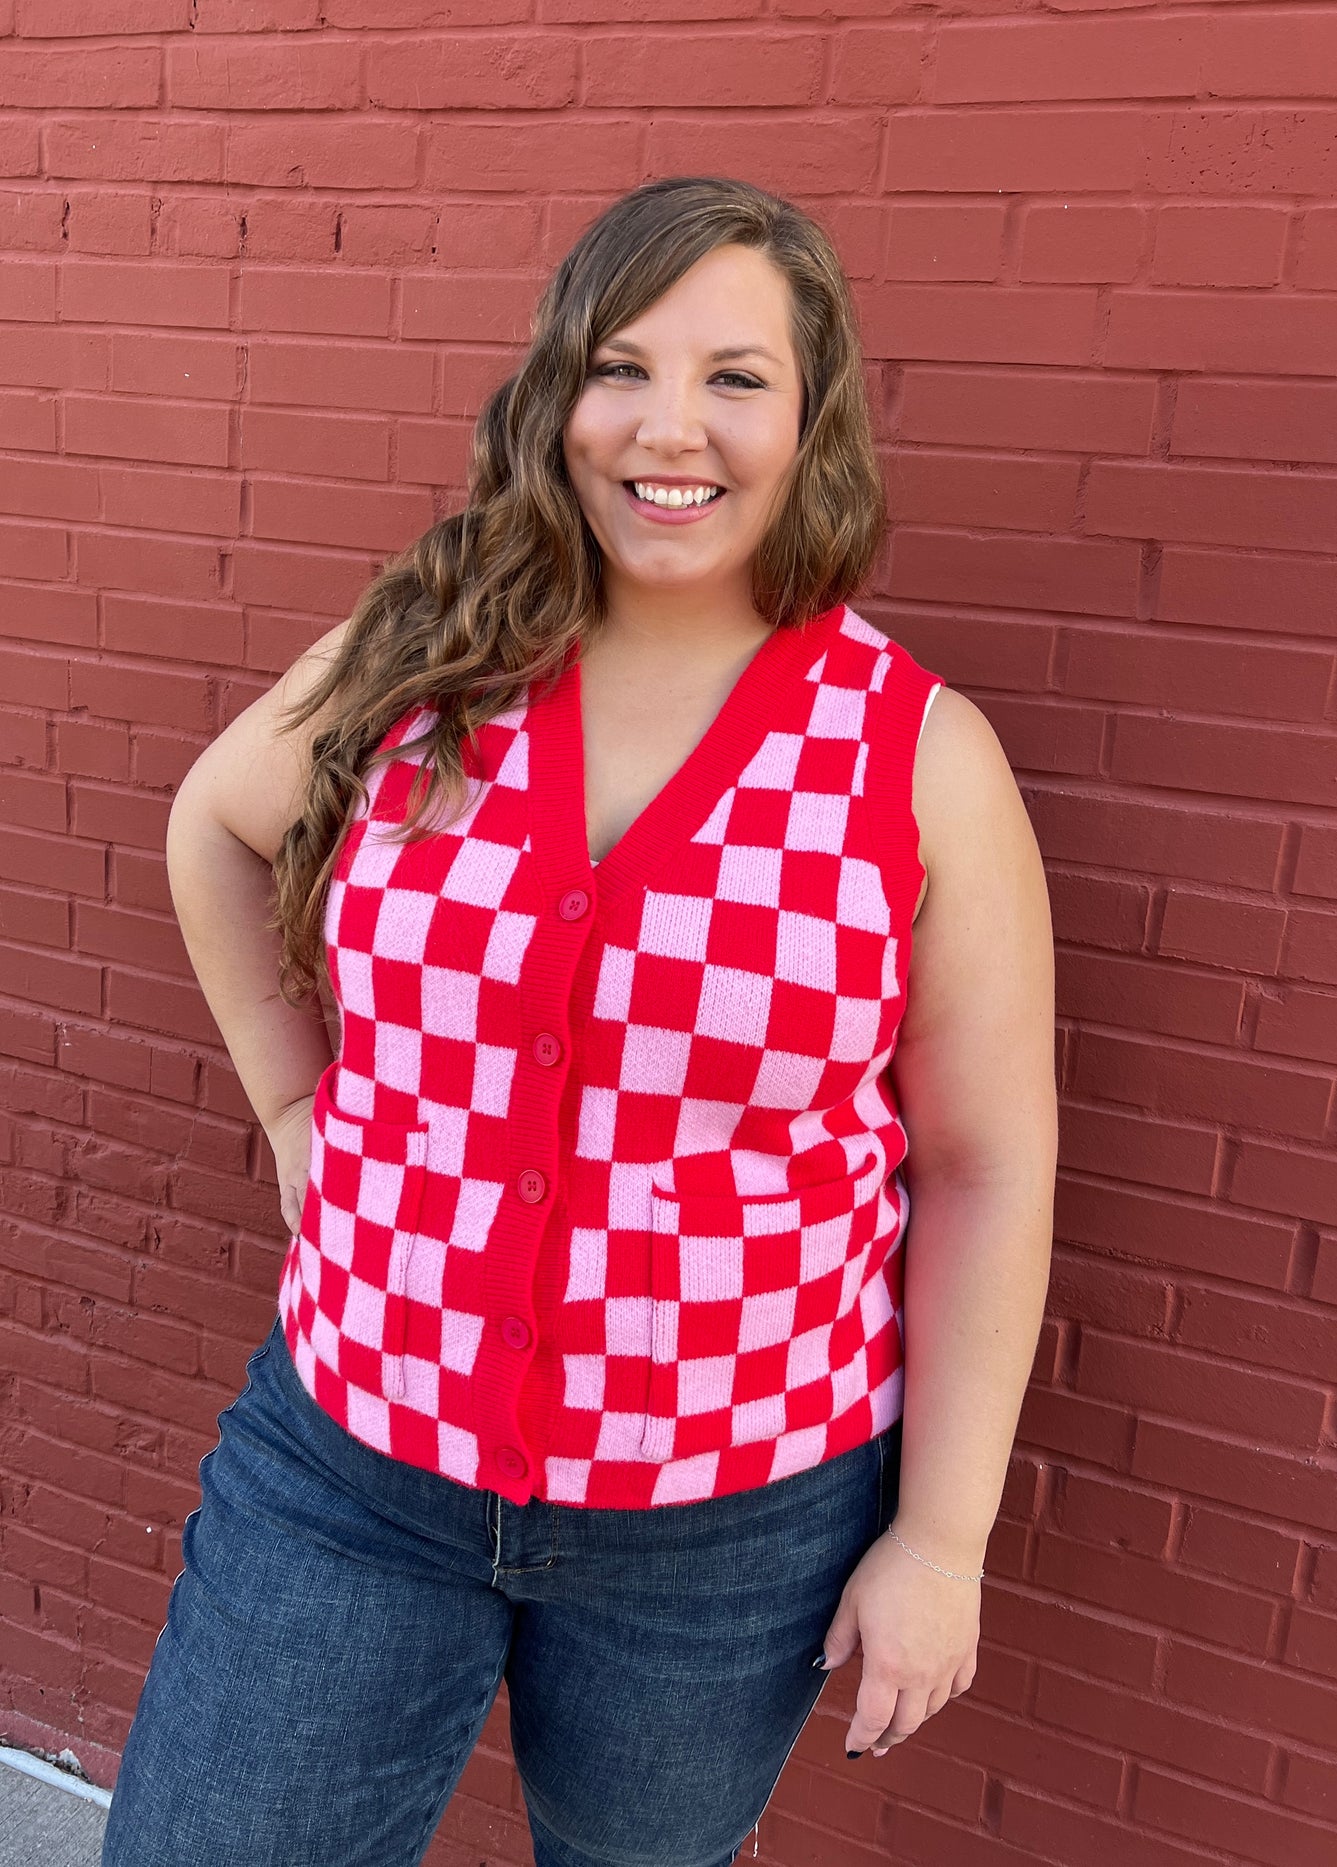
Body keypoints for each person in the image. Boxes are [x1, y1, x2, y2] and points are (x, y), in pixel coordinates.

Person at [100, 175, 1058, 1867]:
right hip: (355, 1464)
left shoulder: (914, 757)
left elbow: (985, 1166)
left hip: (732, 1527)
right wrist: (291, 1110)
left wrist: (943, 1540)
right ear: (557, 397)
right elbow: (214, 824)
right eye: (619, 367)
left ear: (811, 416)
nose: (666, 426)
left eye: (735, 377)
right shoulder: (427, 652)